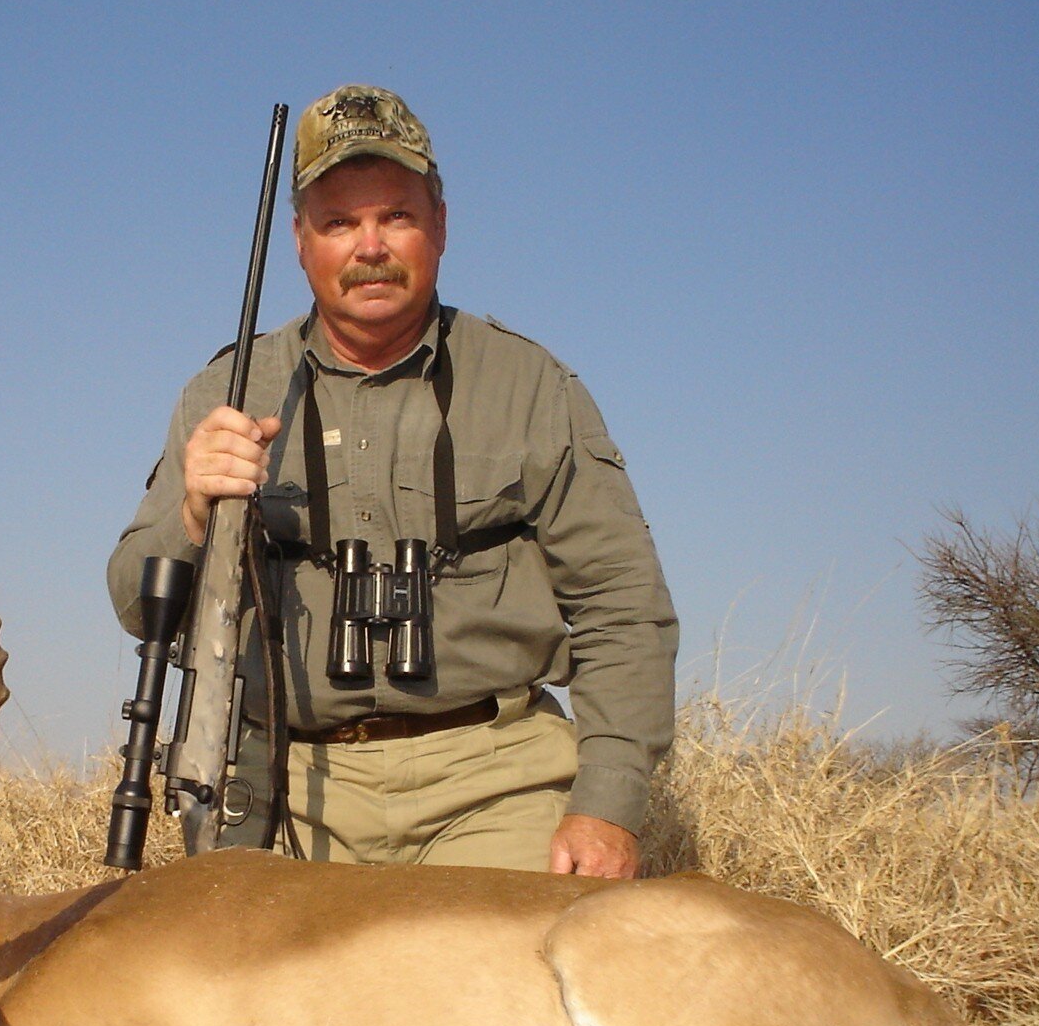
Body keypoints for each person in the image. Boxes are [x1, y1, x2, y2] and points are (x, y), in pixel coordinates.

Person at [108, 84, 677, 877]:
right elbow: (138, 604)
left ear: (439, 226)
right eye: (339, 222)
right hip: (287, 786)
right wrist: (196, 512)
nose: (369, 246)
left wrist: (607, 806)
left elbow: (622, 606)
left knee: (504, 985)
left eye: (396, 216)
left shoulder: (531, 384)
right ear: (301, 241)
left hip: (496, 780)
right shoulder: (227, 391)